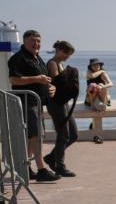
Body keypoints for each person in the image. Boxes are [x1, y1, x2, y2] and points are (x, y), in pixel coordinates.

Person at [7, 29, 59, 182]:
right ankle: (41, 169)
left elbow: (46, 79)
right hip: (26, 103)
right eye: (32, 41)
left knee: (32, 137)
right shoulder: (18, 58)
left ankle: (26, 168)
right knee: (35, 136)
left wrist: (52, 87)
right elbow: (14, 80)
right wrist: (37, 78)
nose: (36, 44)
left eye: (38, 41)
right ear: (24, 41)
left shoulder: (37, 58)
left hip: (37, 103)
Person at [44, 40, 80, 177]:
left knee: (74, 135)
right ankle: (60, 165)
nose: (66, 57)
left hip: (64, 103)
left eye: (69, 55)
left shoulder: (61, 64)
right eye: (66, 53)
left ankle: (51, 157)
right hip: (55, 104)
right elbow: (57, 82)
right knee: (64, 135)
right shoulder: (52, 63)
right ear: (59, 50)